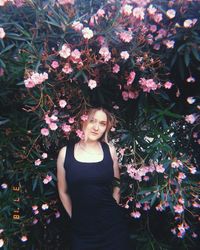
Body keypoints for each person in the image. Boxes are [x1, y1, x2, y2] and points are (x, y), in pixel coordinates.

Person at [57, 107, 131, 250]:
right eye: (92, 121)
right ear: (83, 121)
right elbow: (63, 191)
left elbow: (116, 185)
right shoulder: (65, 154)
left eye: (102, 123)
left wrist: (112, 211)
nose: (96, 127)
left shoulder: (109, 150)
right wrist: (75, 216)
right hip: (82, 231)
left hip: (112, 227)